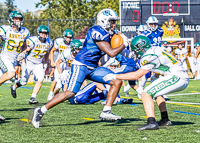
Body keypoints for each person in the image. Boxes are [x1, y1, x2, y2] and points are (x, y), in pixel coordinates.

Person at [32, 8, 130, 128]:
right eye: (112, 21)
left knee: (116, 81)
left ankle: (106, 112)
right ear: (104, 21)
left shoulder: (111, 33)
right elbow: (111, 52)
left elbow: (116, 47)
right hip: (81, 65)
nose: (114, 24)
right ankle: (41, 110)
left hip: (93, 67)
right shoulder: (96, 31)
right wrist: (124, 44)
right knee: (70, 92)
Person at [103, 35, 189, 131]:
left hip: (177, 77)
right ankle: (165, 120)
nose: (134, 52)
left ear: (140, 48)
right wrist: (122, 47)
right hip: (177, 75)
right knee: (157, 93)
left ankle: (151, 122)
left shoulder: (149, 56)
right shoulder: (155, 49)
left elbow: (136, 75)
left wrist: (114, 76)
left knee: (146, 93)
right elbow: (132, 55)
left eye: (135, 50)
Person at [10, 25, 53, 104]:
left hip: (38, 64)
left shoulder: (49, 42)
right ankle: (13, 87)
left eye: (45, 33)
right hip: (28, 62)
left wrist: (46, 62)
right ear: (38, 33)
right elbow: (26, 49)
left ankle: (32, 98)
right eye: (42, 33)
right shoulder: (33, 40)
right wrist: (22, 56)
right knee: (23, 82)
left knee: (40, 79)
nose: (43, 35)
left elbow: (46, 53)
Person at [0, 11, 30, 120]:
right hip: (4, 57)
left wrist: (24, 52)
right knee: (11, 74)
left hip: (13, 60)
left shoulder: (25, 32)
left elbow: (25, 45)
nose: (18, 21)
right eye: (16, 18)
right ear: (11, 19)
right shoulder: (5, 29)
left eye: (20, 19)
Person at [47, 29, 74, 101]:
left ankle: (61, 95)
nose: (69, 39)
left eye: (70, 38)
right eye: (68, 37)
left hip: (66, 63)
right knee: (56, 79)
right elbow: (52, 50)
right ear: (64, 37)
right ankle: (50, 93)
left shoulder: (72, 44)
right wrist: (52, 60)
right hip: (59, 62)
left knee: (65, 80)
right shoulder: (59, 42)